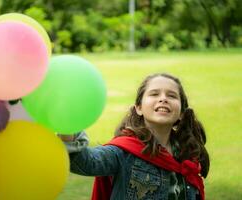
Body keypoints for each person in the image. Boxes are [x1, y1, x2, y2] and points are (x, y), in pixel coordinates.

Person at [59, 73, 210, 200]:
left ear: (182, 112)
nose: (163, 99)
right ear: (139, 108)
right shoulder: (123, 152)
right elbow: (84, 162)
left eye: (172, 95)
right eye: (154, 94)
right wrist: (66, 121)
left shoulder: (188, 154)